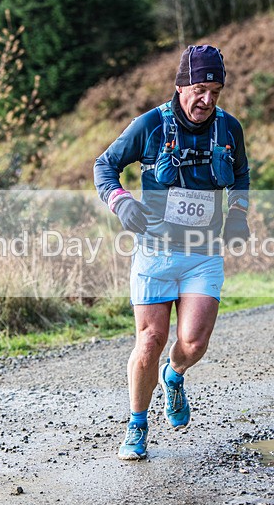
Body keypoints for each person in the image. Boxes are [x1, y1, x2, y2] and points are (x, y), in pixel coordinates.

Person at [93, 45, 250, 460]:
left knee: (193, 343)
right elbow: (104, 166)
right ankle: (137, 425)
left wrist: (238, 212)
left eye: (215, 91)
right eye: (200, 89)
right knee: (150, 339)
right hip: (156, 252)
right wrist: (121, 201)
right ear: (181, 86)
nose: (207, 100)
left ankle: (174, 375)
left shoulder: (229, 129)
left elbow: (241, 176)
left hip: (203, 253)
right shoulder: (150, 125)